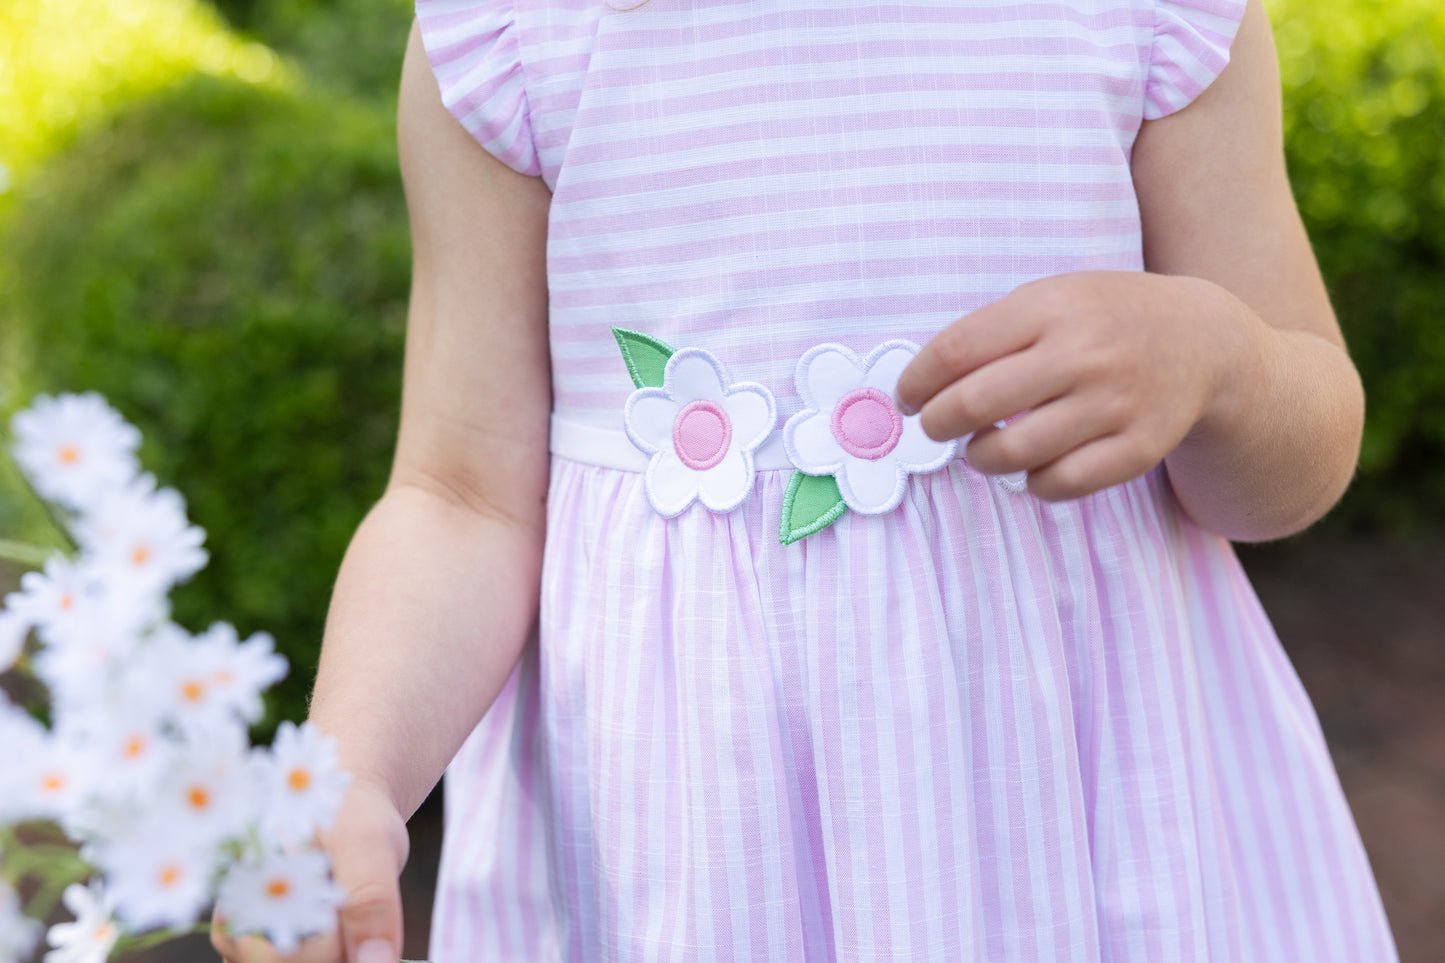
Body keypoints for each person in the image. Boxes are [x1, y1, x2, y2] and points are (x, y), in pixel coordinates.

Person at [213, 0, 1400, 959]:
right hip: (689, 843)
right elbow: (460, 498)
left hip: (1090, 816)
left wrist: (1215, 360)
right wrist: (353, 773)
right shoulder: (517, 40)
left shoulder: (1152, 18)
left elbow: (1293, 466)